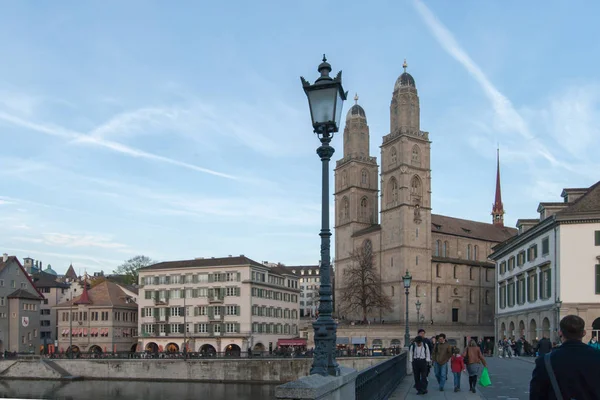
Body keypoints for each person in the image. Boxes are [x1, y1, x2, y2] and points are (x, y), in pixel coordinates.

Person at [530, 315, 600, 399]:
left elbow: (536, 395)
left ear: (560, 333)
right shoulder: (596, 356)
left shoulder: (545, 361)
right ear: (584, 333)